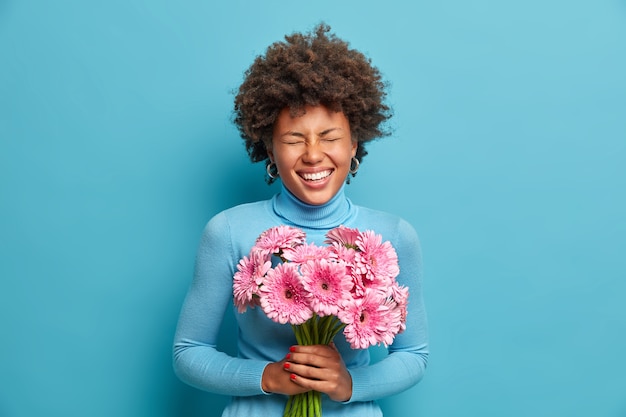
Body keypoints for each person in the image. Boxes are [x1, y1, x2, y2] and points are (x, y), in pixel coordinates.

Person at [173, 23, 428, 417]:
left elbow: (413, 355)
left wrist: (350, 385)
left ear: (355, 143)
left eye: (329, 137)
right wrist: (269, 377)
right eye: (294, 139)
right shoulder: (227, 231)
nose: (313, 155)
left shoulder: (394, 237)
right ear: (269, 150)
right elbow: (188, 353)